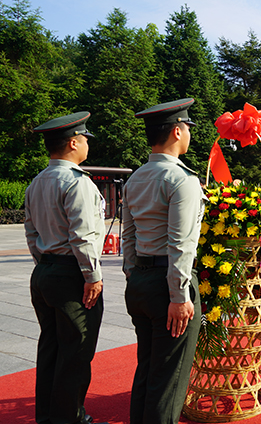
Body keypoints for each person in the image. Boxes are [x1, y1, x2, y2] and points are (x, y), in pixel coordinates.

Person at [123, 98, 208, 424]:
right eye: (187, 127)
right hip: (168, 287)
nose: (188, 133)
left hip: (142, 280)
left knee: (147, 369)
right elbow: (181, 245)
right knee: (168, 382)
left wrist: (135, 274)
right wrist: (178, 295)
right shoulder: (182, 179)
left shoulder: (136, 178)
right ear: (176, 131)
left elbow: (128, 238)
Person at [25, 112, 108, 424]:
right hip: (72, 274)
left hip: (45, 271)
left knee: (50, 347)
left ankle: (47, 415)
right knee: (76, 352)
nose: (86, 144)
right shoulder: (78, 182)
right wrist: (93, 276)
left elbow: (31, 233)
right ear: (74, 143)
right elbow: (83, 235)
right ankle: (70, 417)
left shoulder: (36, 183)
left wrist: (45, 263)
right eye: (84, 139)